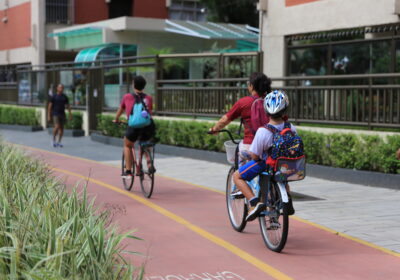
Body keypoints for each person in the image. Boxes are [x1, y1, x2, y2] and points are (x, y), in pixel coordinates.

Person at [233, 90, 296, 222]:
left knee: (237, 176)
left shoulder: (263, 131)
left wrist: (250, 155)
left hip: (267, 165)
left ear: (266, 112)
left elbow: (255, 156)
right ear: (285, 110)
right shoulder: (292, 128)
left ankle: (254, 203)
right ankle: (288, 200)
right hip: (286, 165)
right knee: (283, 179)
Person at [210, 72, 272, 167]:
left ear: (251, 86)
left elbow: (225, 120)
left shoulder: (244, 102)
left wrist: (214, 129)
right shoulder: (272, 101)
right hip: (270, 146)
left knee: (238, 159)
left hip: (250, 146)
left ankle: (239, 177)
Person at [114, 76, 155, 178]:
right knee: (145, 144)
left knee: (127, 145)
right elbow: (150, 112)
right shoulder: (149, 98)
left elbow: (121, 109)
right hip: (147, 126)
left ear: (133, 85)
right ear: (144, 86)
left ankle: (128, 171)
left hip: (133, 127)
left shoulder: (127, 97)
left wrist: (116, 119)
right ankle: (150, 165)